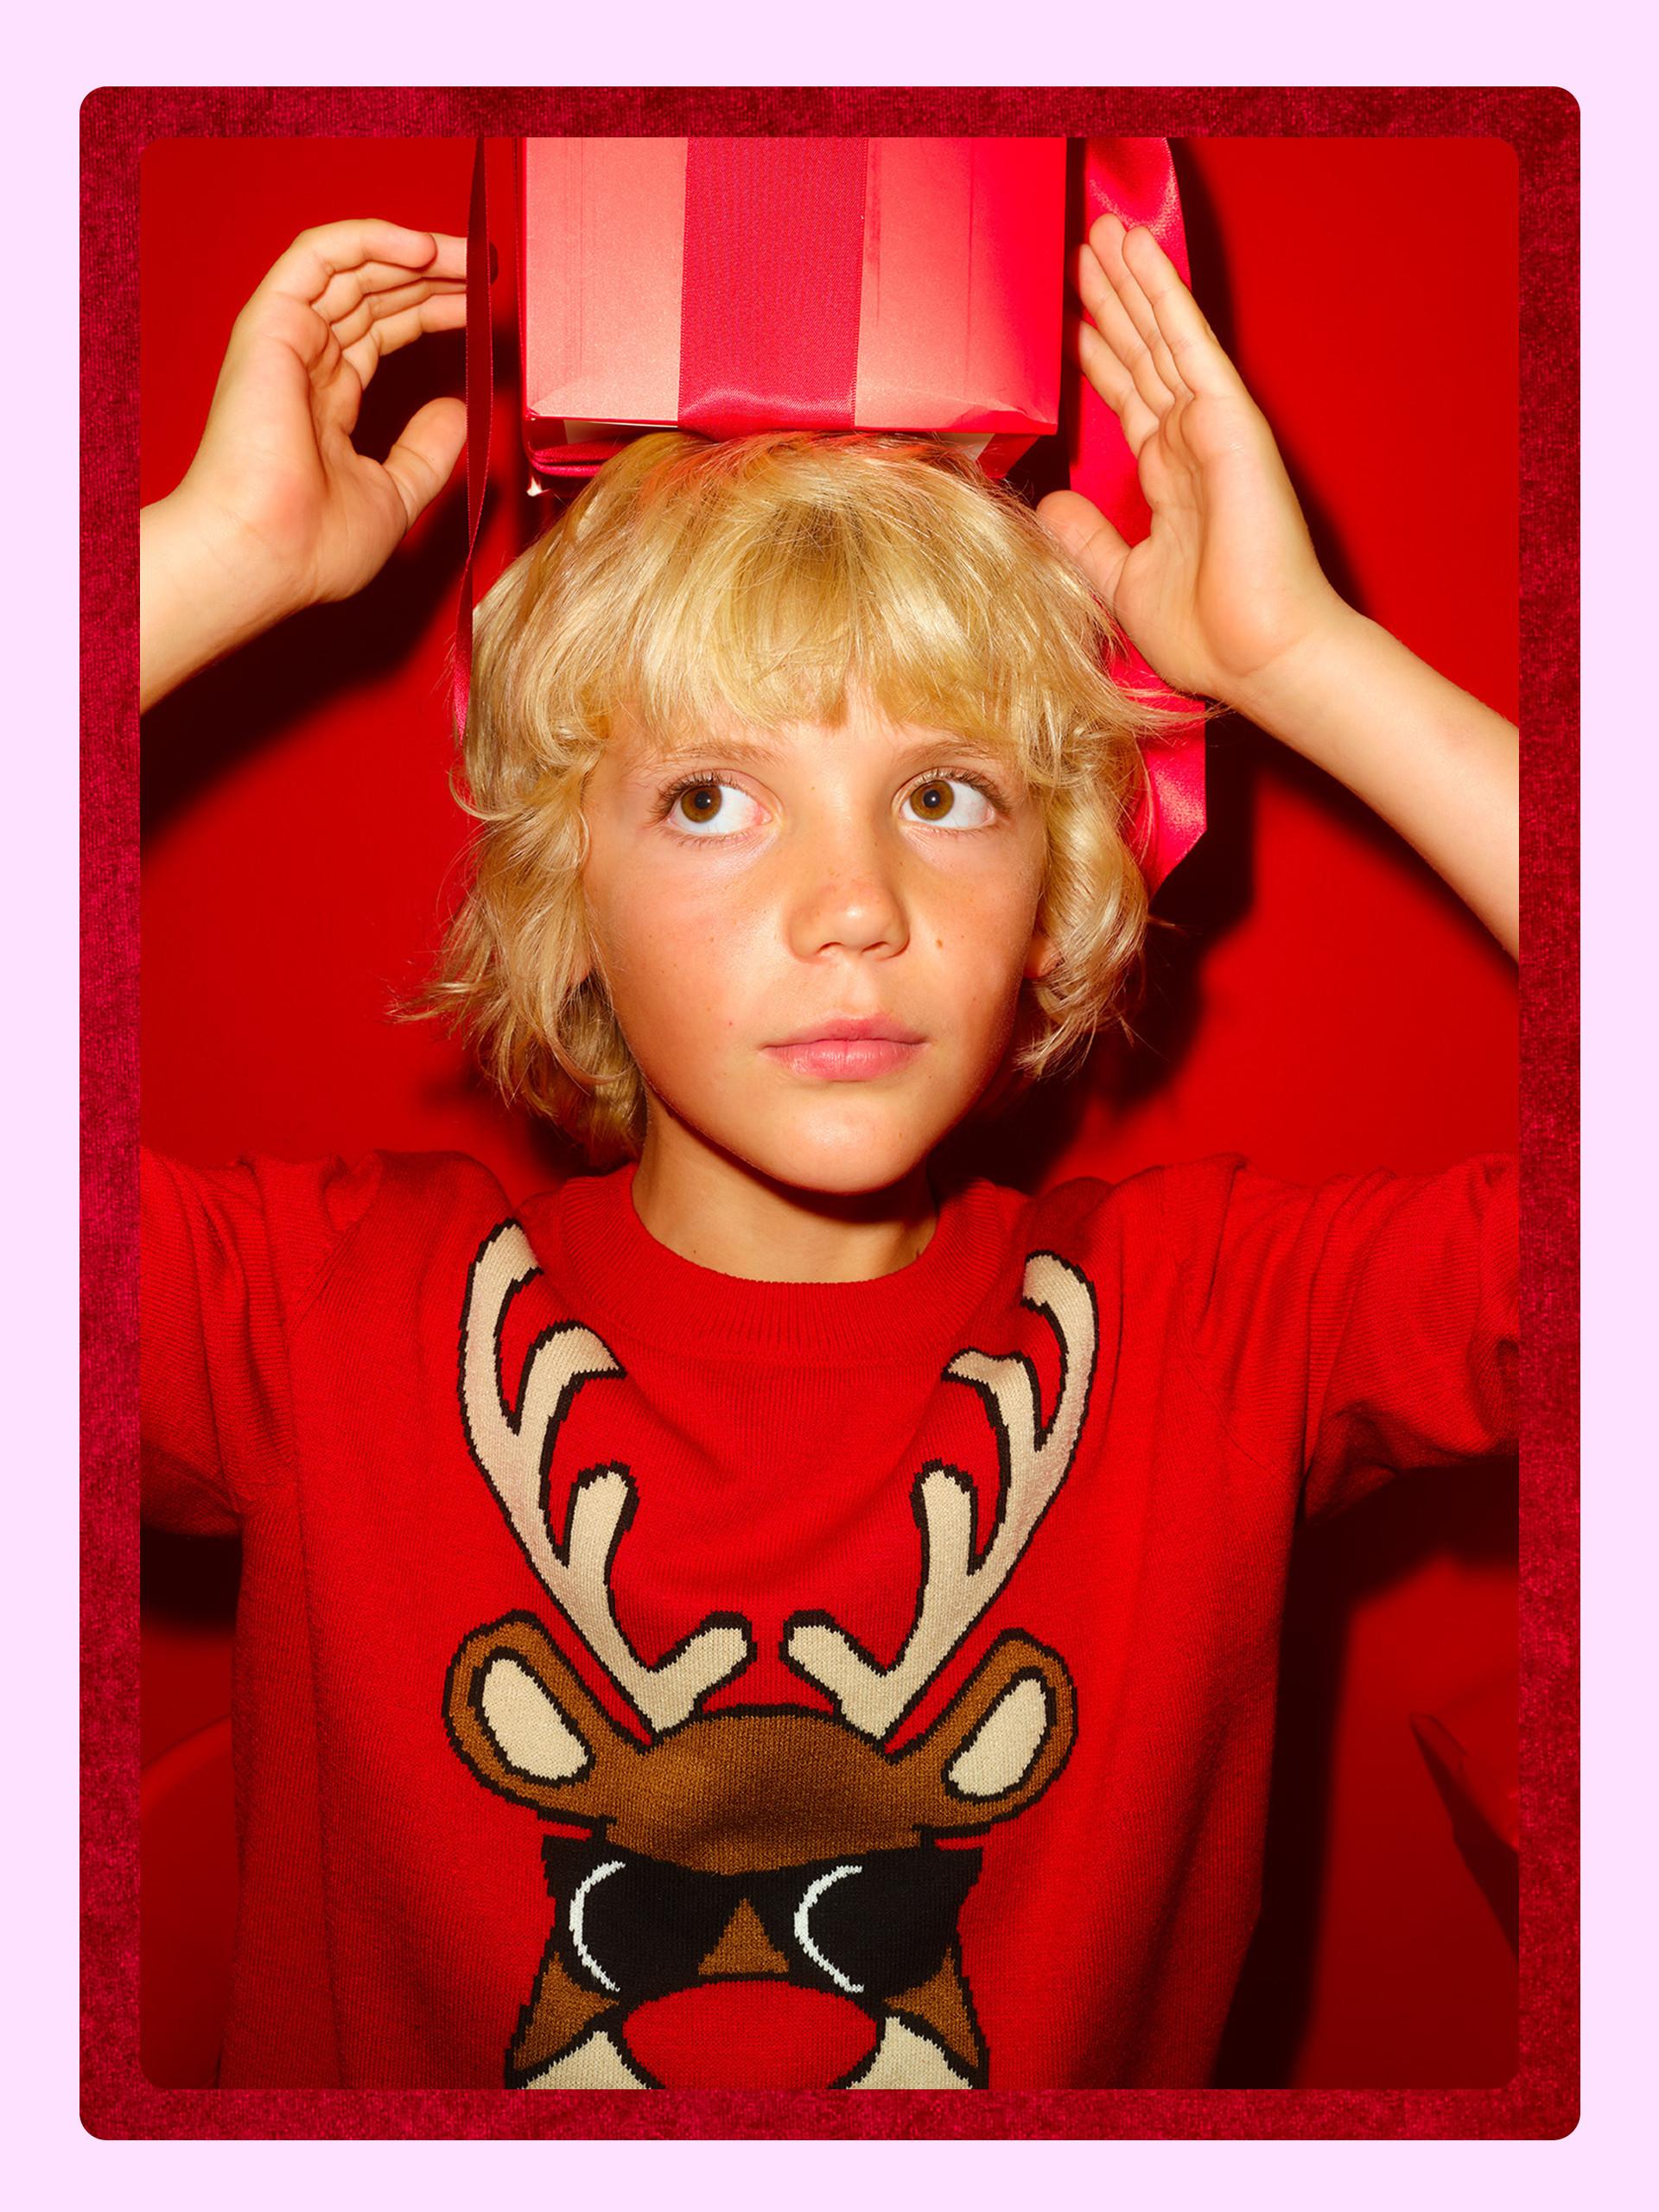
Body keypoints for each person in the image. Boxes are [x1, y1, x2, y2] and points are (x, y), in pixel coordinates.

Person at [138, 211, 1518, 2093]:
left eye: (944, 794)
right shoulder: (302, 1318)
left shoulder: (1225, 1325)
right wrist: (200, 566)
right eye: (711, 799)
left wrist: (1303, 657)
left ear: (1060, 888)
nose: (850, 904)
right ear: (564, 891)